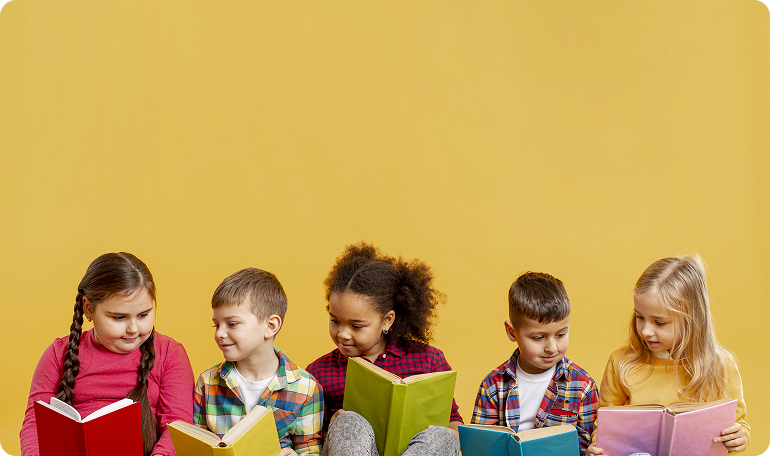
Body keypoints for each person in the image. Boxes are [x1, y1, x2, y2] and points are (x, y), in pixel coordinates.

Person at [20, 252, 194, 456]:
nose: (133, 329)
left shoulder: (170, 354)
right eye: (119, 317)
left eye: (143, 315)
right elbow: (35, 423)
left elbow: (177, 426)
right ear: (88, 308)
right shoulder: (59, 353)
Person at [306, 242, 463, 456]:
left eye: (356, 326)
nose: (342, 334)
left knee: (443, 436)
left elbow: (454, 423)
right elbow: (310, 442)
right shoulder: (318, 372)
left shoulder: (429, 360)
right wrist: (332, 429)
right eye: (335, 321)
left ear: (387, 320)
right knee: (348, 422)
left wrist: (448, 434)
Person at [587, 254, 750, 455]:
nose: (646, 331)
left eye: (659, 322)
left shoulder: (721, 365)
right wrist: (598, 448)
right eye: (640, 317)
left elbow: (738, 424)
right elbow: (605, 425)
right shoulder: (621, 362)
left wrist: (740, 437)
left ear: (692, 319)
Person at [193, 268, 324, 456]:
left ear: (270, 326)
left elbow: (309, 448)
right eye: (217, 325)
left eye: (232, 324)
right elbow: (196, 445)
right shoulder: (206, 383)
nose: (220, 333)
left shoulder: (306, 388)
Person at [470, 272, 598, 454]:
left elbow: (587, 444)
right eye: (538, 338)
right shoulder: (493, 386)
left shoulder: (583, 385)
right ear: (512, 332)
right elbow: (480, 448)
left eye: (561, 334)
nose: (552, 348)